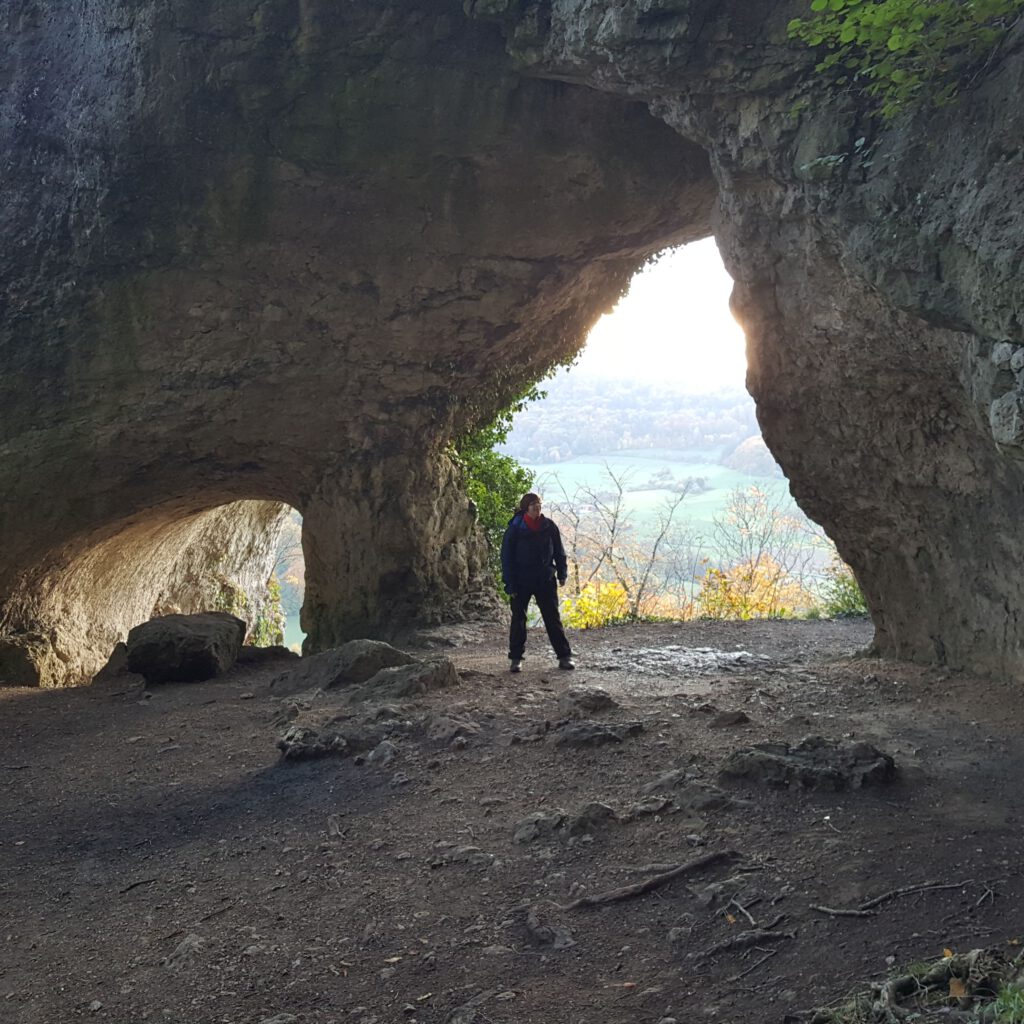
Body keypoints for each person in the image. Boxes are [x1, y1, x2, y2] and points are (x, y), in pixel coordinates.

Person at [500, 492, 575, 673]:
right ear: (526, 507)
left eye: (539, 504)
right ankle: (516, 659)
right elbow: (506, 557)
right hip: (521, 581)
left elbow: (559, 551)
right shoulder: (515, 528)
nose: (537, 507)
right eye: (534, 504)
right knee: (518, 619)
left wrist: (562, 573)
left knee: (552, 618)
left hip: (545, 579)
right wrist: (509, 583)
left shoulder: (549, 526)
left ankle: (564, 657)